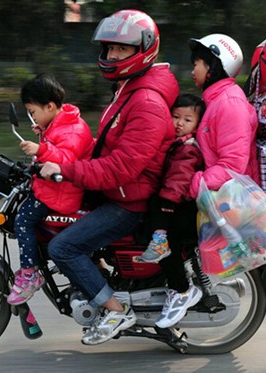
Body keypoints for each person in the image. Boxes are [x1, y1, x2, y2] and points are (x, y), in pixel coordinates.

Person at [39, 9, 178, 345]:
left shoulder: (146, 100)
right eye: (109, 48)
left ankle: (116, 311)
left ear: (143, 49)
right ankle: (99, 279)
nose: (112, 55)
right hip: (120, 191)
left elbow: (122, 167)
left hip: (130, 200)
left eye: (122, 49)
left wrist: (67, 170)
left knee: (64, 247)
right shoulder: (130, 86)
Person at [7, 73, 93, 305]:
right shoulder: (62, 122)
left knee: (23, 220)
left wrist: (41, 149)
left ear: (50, 106)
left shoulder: (73, 129)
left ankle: (29, 274)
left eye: (33, 112)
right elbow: (58, 143)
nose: (32, 117)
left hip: (62, 194)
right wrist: (45, 133)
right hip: (55, 189)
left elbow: (66, 158)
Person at [133, 93, 206, 328]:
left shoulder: (188, 147)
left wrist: (166, 204)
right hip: (173, 202)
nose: (179, 123)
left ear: (197, 124)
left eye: (187, 120)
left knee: (166, 246)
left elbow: (179, 179)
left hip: (179, 206)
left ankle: (181, 290)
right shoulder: (172, 142)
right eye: (175, 117)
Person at [187, 34, 260, 198]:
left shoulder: (230, 103)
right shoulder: (215, 100)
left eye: (196, 64)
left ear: (212, 66)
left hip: (232, 201)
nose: (192, 71)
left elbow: (232, 165)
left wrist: (194, 184)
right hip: (218, 195)